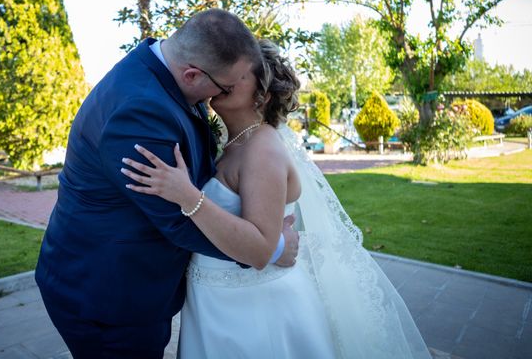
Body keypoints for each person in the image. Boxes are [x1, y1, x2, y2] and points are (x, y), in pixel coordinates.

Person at [122, 40, 432, 358]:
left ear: (263, 94)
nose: (225, 74)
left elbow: (260, 245)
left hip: (255, 309)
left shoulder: (263, 148)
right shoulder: (234, 143)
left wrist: (185, 194)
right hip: (218, 301)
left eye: (239, 73)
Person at [35, 9, 299, 359]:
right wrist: (272, 248)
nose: (221, 95)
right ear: (192, 74)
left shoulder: (168, 79)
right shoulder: (141, 109)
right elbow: (177, 218)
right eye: (225, 86)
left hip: (138, 289)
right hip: (108, 298)